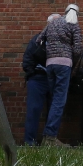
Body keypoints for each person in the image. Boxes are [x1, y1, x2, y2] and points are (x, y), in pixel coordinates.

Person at [41, 4, 82, 146]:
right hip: (64, 64)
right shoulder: (74, 24)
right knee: (59, 101)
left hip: (49, 64)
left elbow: (39, 40)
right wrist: (73, 62)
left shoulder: (53, 23)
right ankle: (51, 137)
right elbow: (77, 49)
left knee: (53, 101)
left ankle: (47, 136)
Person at [21, 15, 56, 146]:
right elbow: (28, 57)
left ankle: (49, 141)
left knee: (54, 111)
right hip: (38, 77)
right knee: (34, 110)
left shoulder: (62, 42)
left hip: (54, 79)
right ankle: (30, 141)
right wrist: (31, 72)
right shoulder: (37, 40)